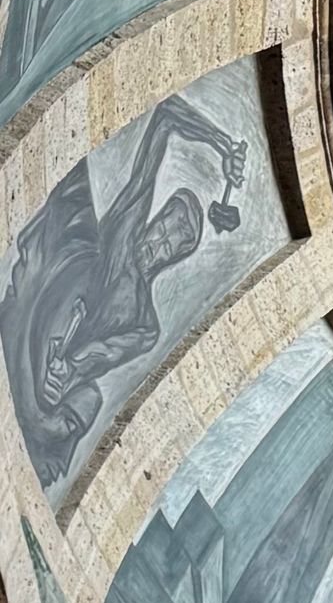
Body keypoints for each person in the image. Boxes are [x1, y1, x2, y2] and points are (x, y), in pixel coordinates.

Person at [0, 90, 248, 487]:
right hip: (43, 310)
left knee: (89, 402)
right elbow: (165, 116)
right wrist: (222, 144)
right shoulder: (125, 233)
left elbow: (101, 355)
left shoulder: (146, 323)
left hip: (61, 365)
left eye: (172, 242)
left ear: (176, 257)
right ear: (154, 218)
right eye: (164, 225)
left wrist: (67, 369)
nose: (159, 240)